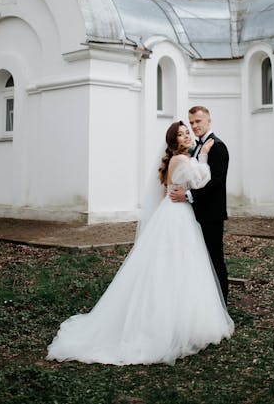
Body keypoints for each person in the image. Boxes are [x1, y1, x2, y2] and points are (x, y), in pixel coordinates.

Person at [46, 121, 234, 366]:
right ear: (173, 141)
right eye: (181, 134)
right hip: (177, 216)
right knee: (178, 265)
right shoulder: (181, 160)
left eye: (187, 132)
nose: (187, 136)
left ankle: (181, 317)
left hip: (174, 211)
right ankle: (169, 322)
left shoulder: (177, 160)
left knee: (177, 265)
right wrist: (205, 155)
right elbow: (201, 181)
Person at [170, 106, 230, 304]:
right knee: (202, 260)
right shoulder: (197, 147)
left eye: (198, 121)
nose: (194, 125)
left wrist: (187, 195)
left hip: (211, 214)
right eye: (192, 122)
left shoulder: (217, 146)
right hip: (197, 213)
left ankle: (222, 304)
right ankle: (206, 302)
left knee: (215, 260)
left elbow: (216, 182)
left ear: (208, 121)